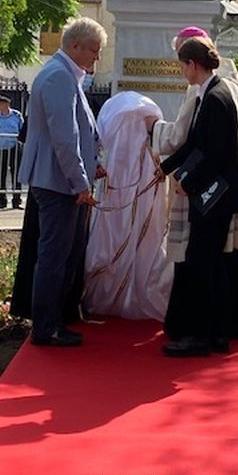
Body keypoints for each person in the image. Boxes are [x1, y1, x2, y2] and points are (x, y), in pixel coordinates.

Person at [149, 26, 238, 338]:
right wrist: (167, 168)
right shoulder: (211, 91)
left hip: (216, 195)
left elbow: (215, 152)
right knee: (208, 263)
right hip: (212, 194)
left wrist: (186, 181)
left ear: (192, 64)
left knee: (207, 265)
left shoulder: (215, 97)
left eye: (181, 64)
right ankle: (210, 335)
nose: (181, 71)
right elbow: (193, 144)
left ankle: (204, 337)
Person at [18, 17, 108, 347]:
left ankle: (54, 321)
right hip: (59, 184)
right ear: (75, 46)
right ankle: (46, 327)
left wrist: (92, 166)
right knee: (55, 256)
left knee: (60, 255)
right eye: (94, 51)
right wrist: (81, 183)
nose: (96, 58)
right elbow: (64, 138)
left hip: (62, 181)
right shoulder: (59, 77)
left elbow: (78, 134)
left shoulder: (65, 74)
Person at [84, 92, 172, 319]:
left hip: (129, 182)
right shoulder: (148, 161)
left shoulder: (143, 162)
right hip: (124, 182)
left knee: (131, 236)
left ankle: (114, 295)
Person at [0, 94, 24, 209]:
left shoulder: (16, 115)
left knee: (16, 174)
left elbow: (22, 130)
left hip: (14, 148)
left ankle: (16, 201)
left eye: (0, 103)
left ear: (7, 104)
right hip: (1, 148)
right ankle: (2, 201)